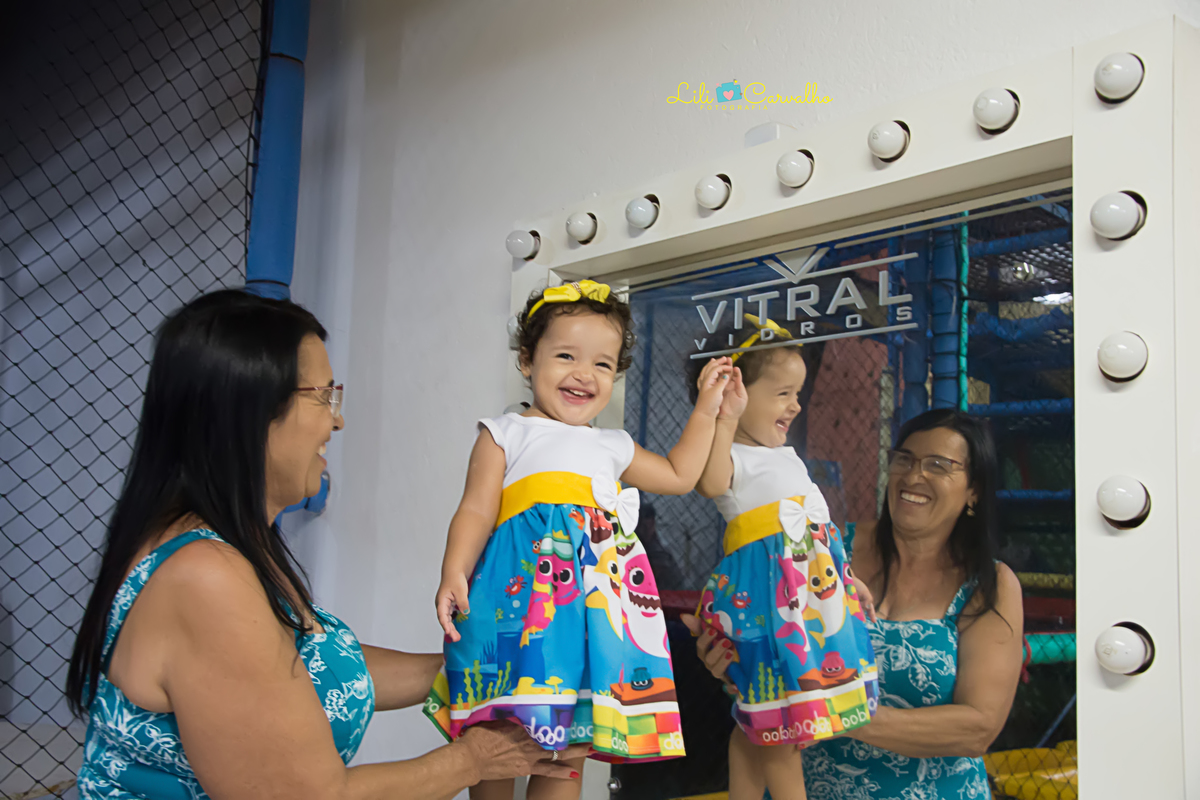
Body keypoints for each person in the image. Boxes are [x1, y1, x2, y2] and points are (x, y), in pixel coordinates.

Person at [66, 289, 589, 800]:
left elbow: (315, 668)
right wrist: (475, 758)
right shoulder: (206, 576)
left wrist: (481, 667)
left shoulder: (219, 545)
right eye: (323, 396)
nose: (336, 420)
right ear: (249, 410)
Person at [425, 280, 733, 800]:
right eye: (566, 355)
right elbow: (476, 509)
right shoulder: (506, 433)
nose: (583, 375)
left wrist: (707, 408)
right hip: (518, 610)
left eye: (603, 364)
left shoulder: (612, 445)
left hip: (588, 618)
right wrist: (454, 570)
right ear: (527, 360)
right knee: (495, 736)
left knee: (566, 752)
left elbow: (682, 474)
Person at [687, 409, 1024, 800]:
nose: (914, 476)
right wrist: (732, 661)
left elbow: (977, 728)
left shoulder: (989, 584)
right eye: (905, 459)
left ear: (974, 490)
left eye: (939, 465)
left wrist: (823, 706)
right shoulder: (822, 549)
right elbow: (766, 657)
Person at [685, 317, 877, 800]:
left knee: (759, 719)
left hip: (805, 602)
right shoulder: (729, 455)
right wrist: (724, 415)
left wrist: (850, 580)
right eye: (784, 394)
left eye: (798, 394)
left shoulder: (787, 455)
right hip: (767, 605)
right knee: (782, 726)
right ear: (736, 392)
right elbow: (709, 484)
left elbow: (819, 538)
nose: (796, 405)